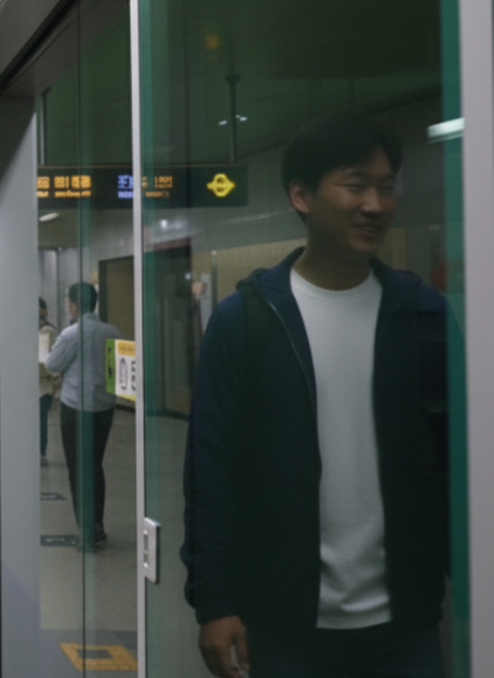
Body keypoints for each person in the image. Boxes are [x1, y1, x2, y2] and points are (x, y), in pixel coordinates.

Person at [183, 114, 448, 678]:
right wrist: (216, 600)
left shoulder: (421, 316)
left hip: (407, 627)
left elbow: (456, 459)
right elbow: (212, 471)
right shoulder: (247, 322)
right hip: (284, 628)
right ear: (301, 195)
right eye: (356, 185)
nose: (376, 204)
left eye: (386, 186)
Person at [44, 281, 119, 551]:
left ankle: (86, 530)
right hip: (104, 408)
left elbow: (52, 364)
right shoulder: (112, 332)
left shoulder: (72, 334)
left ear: (74, 305)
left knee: (78, 469)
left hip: (75, 409)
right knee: (95, 466)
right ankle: (97, 525)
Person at [37, 298, 59, 467]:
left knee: (40, 419)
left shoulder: (47, 331)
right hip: (27, 385)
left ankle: (40, 452)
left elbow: (45, 360)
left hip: (42, 384)